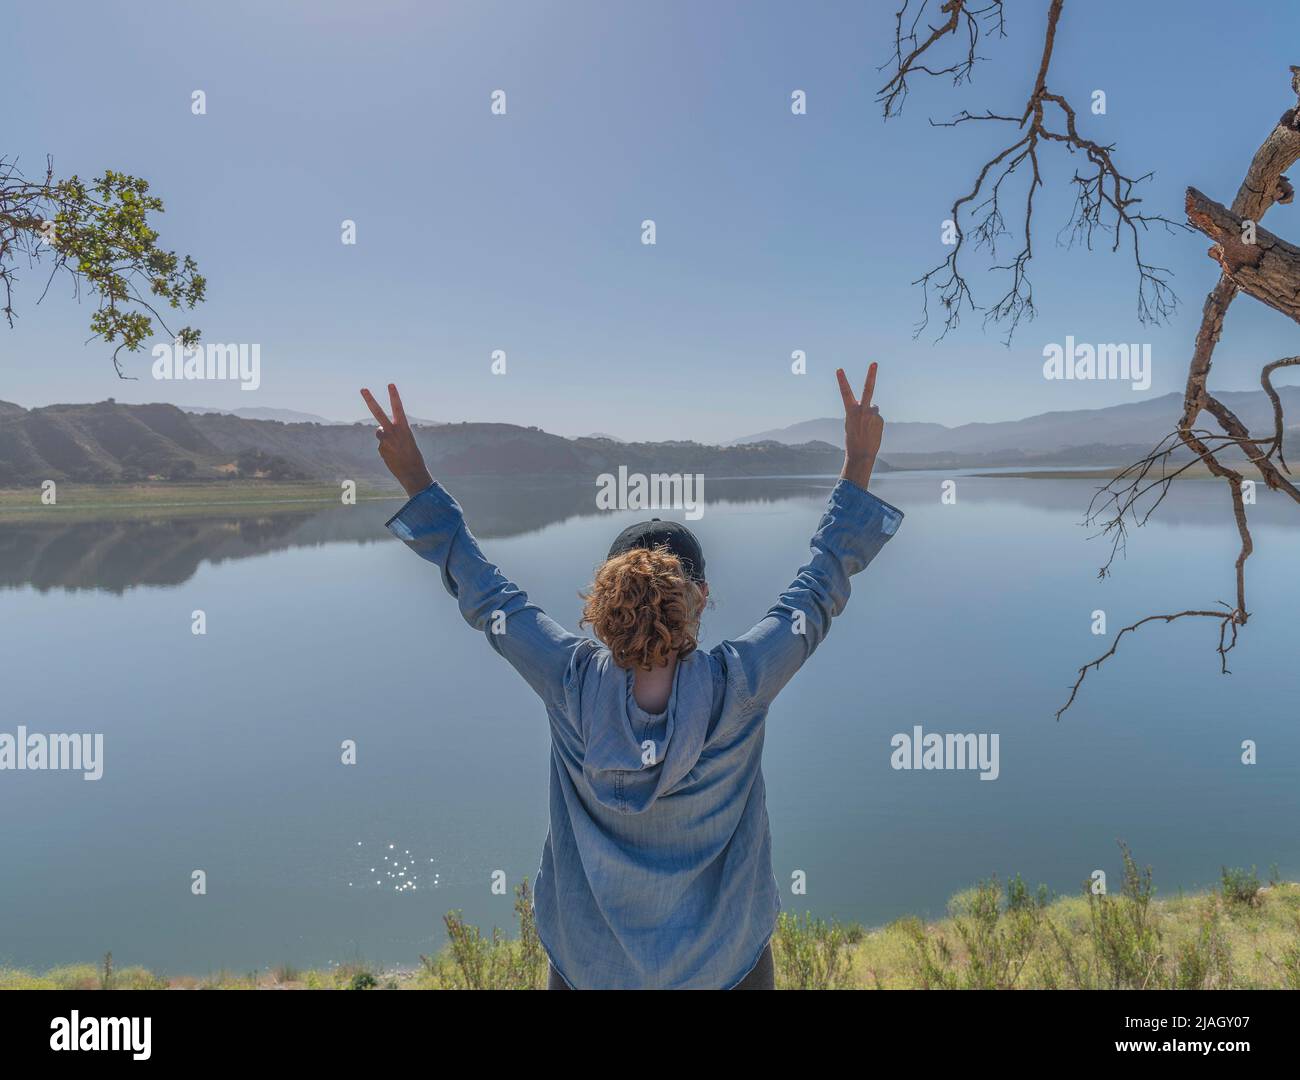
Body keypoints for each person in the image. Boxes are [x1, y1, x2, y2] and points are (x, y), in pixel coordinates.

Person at [360, 364, 903, 990]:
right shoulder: (742, 684)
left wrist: (417, 480)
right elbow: (820, 589)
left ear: (604, 605)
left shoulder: (569, 681)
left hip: (592, 969)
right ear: (699, 597)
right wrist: (858, 464)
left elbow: (490, 598)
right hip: (726, 969)